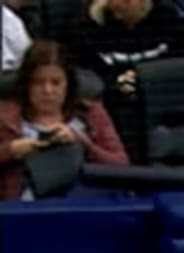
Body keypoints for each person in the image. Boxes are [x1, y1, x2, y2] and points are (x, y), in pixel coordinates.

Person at [3, 42, 126, 200]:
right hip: (24, 210)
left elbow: (121, 165)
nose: (47, 91)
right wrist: (11, 150)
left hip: (82, 206)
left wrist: (82, 143)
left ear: (68, 84)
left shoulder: (90, 112)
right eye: (38, 83)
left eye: (56, 82)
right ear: (26, 85)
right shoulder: (6, 116)